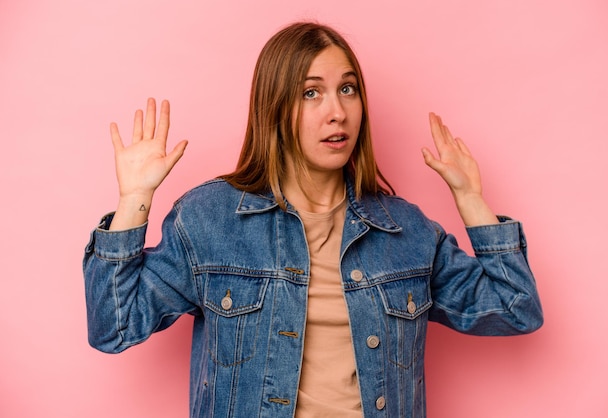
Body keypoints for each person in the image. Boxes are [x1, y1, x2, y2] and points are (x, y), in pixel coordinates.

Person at [83, 21, 543, 418]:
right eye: (311, 93)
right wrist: (135, 199)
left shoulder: (406, 233)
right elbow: (114, 327)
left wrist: (471, 200)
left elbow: (515, 308)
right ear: (275, 108)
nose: (337, 112)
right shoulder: (210, 222)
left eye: (347, 88)